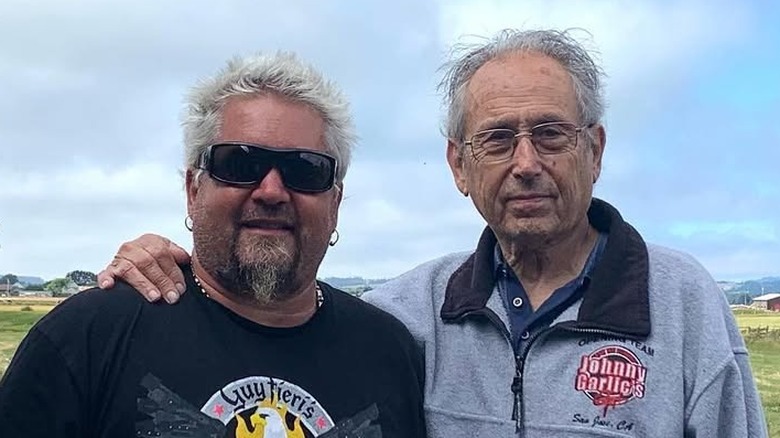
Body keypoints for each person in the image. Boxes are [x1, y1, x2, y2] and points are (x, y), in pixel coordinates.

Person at [93, 29, 767, 437]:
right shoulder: (404, 316)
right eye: (498, 139)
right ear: (458, 166)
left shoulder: (684, 304)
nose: (526, 163)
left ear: (594, 148)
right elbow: (272, 296)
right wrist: (173, 264)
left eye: (551, 135)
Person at [0, 52, 427, 438]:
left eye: (305, 170)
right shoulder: (89, 336)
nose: (272, 191)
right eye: (240, 164)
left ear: (334, 202)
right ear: (192, 188)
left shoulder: (390, 350)